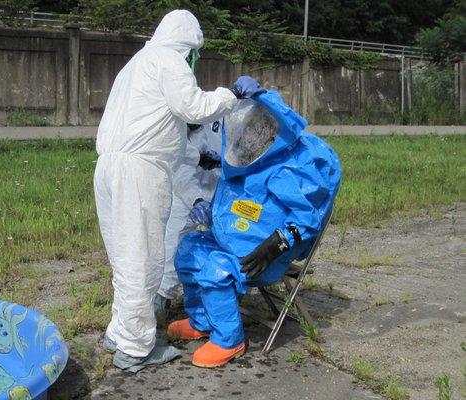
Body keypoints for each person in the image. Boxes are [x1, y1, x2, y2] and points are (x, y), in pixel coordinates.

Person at [93, 8, 264, 372]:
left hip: (109, 167)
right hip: (140, 172)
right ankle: (137, 349)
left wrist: (196, 156)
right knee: (143, 259)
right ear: (188, 44)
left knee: (124, 257)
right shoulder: (170, 61)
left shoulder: (136, 64)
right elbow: (192, 107)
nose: (194, 61)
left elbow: (155, 125)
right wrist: (230, 95)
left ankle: (120, 332)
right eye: (195, 54)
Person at [167, 90, 342, 368]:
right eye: (247, 129)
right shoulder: (248, 162)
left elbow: (307, 218)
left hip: (263, 256)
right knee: (188, 251)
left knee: (216, 268)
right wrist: (210, 208)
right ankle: (202, 320)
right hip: (233, 240)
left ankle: (229, 340)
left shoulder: (285, 170)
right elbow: (239, 204)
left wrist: (275, 245)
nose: (248, 136)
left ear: (272, 135)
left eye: (255, 131)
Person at [156, 122, 223, 312]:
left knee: (225, 242)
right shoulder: (172, 129)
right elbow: (178, 170)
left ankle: (219, 294)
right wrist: (196, 200)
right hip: (188, 194)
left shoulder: (219, 115)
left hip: (222, 189)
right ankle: (161, 297)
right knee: (172, 244)